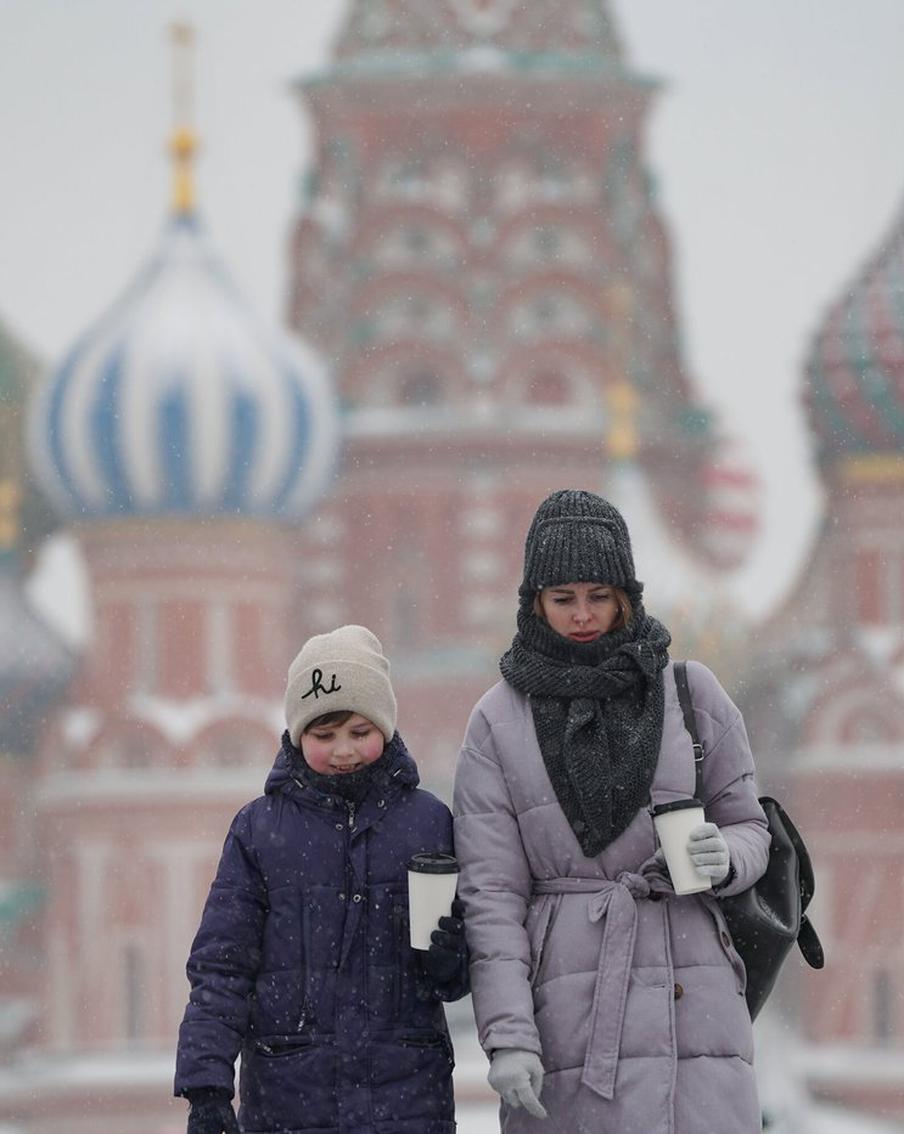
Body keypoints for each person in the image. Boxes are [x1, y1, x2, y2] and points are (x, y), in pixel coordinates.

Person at [453, 490, 770, 1133]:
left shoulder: (692, 692)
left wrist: (725, 855)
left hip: (694, 998)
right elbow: (492, 896)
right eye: (562, 598)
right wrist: (509, 1035)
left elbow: (751, 827)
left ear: (626, 593)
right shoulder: (496, 719)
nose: (582, 615)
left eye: (599, 595)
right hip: (569, 1004)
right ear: (534, 602)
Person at [175, 624, 468, 1134]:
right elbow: (223, 967)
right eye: (323, 735)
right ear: (296, 735)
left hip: (404, 1098)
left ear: (387, 729)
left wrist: (452, 957)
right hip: (290, 1098)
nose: (343, 751)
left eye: (360, 733)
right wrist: (206, 1085)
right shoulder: (260, 831)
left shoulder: (428, 822)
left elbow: (460, 970)